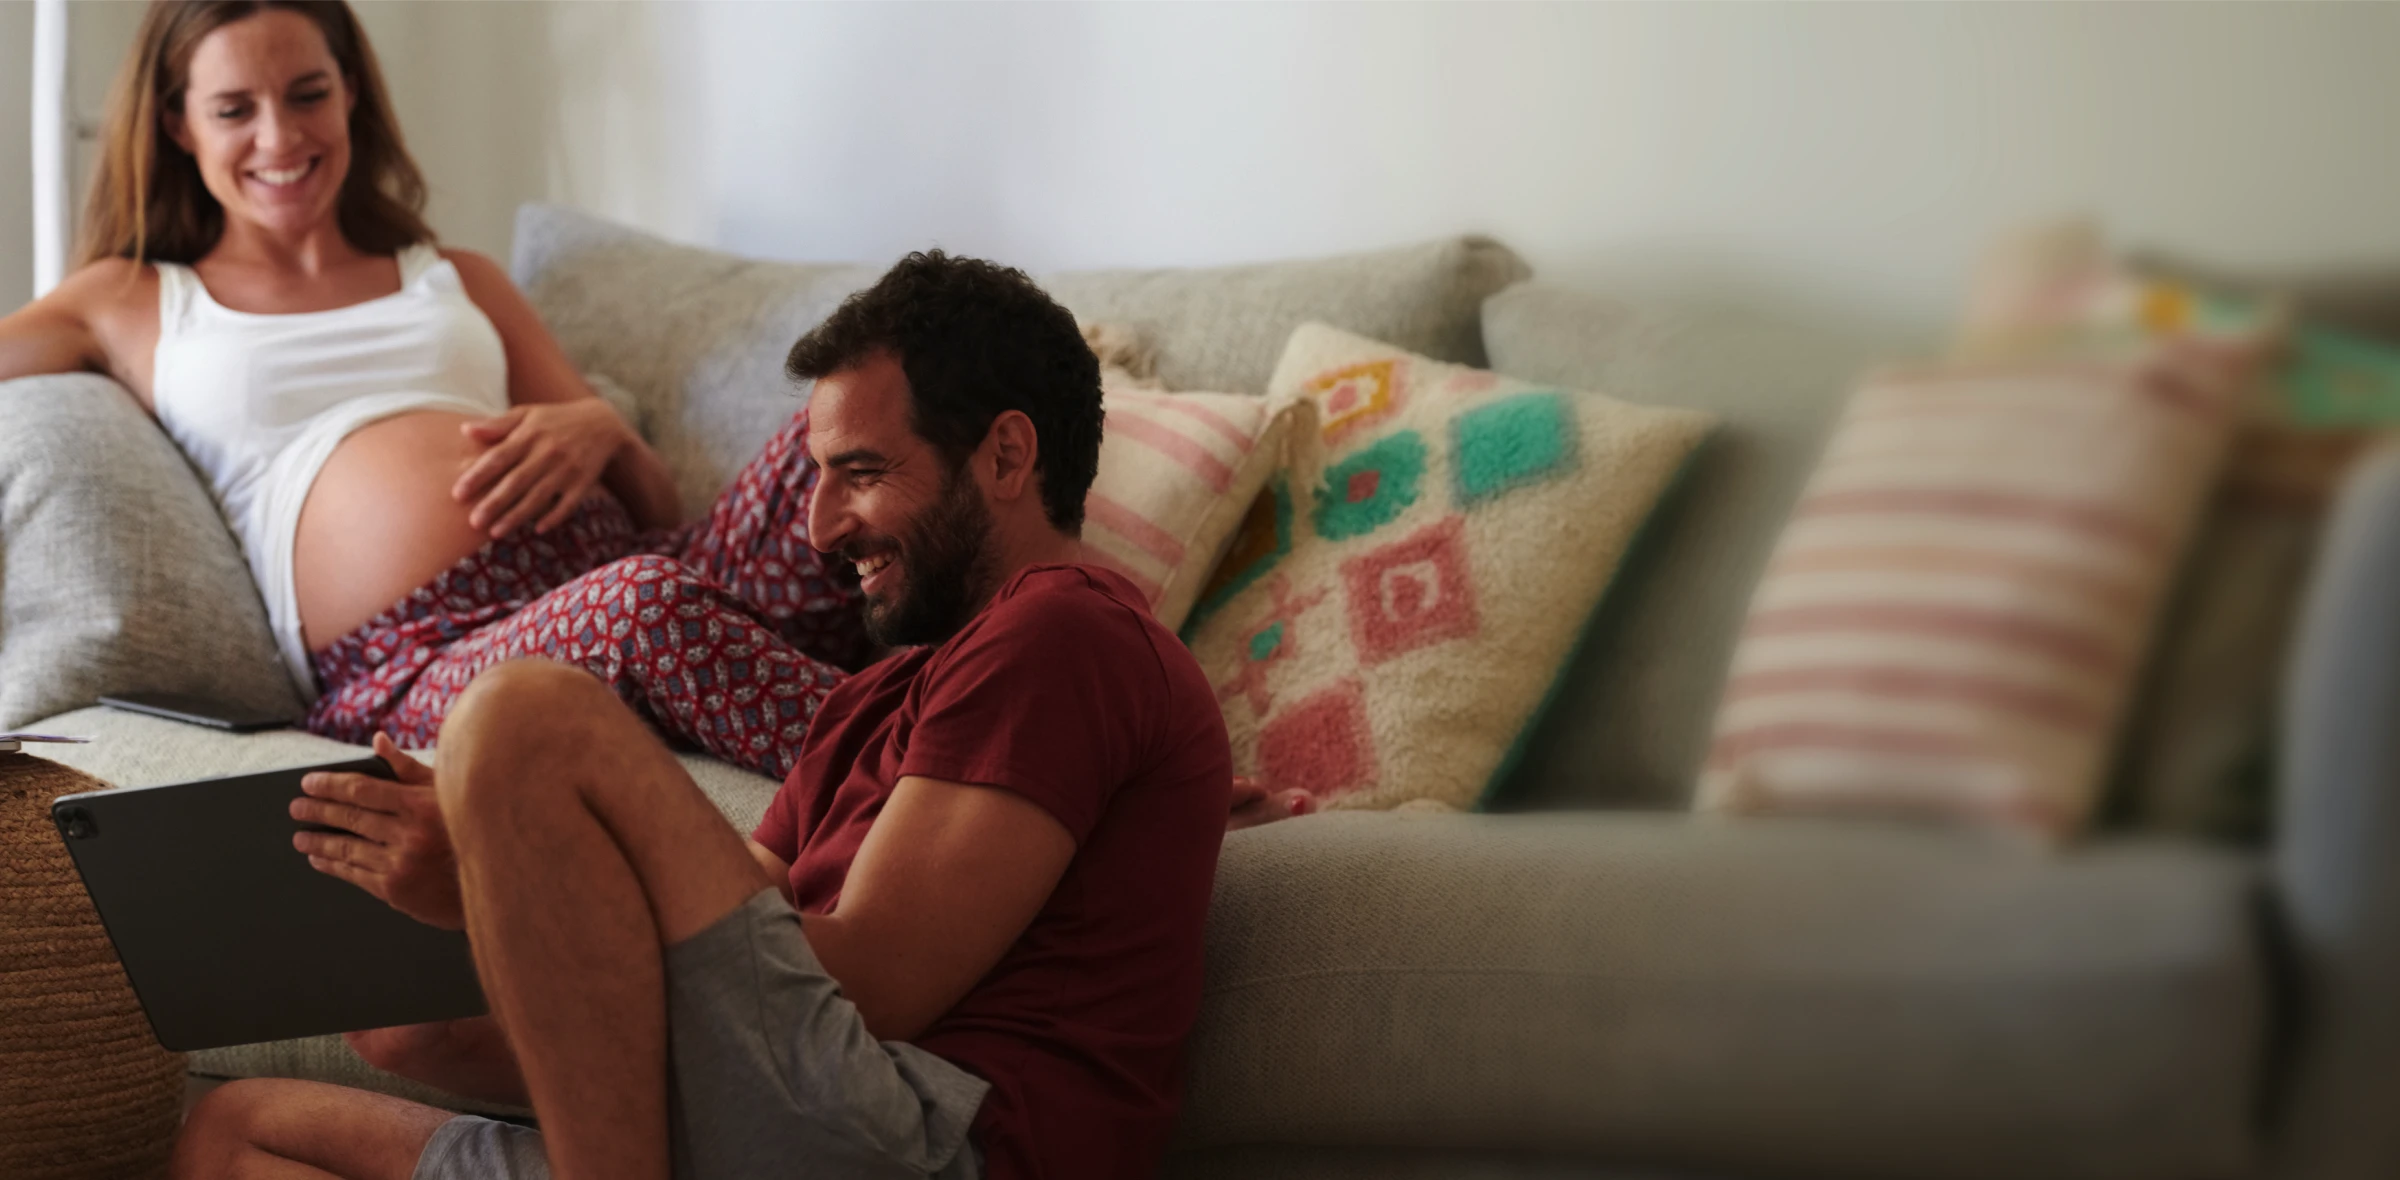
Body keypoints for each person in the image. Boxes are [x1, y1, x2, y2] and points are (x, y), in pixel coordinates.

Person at [173, 251, 1232, 1180]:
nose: (820, 526)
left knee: (527, 711)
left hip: (922, 1141)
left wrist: (500, 874)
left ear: (1008, 456)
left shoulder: (1068, 634)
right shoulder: (872, 702)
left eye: (861, 473)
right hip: (734, 1135)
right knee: (237, 1132)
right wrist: (469, 933)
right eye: (814, 479)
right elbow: (718, 981)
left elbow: (877, 984)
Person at [0, 0, 868, 779]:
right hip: (422, 659)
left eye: (307, 94)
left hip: (641, 571)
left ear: (350, 94)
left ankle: (950, 674)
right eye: (234, 109)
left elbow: (654, 503)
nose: (279, 137)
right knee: (640, 607)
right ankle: (916, 772)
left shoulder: (458, 279)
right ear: (178, 125)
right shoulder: (133, 298)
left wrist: (601, 427)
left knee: (860, 401)